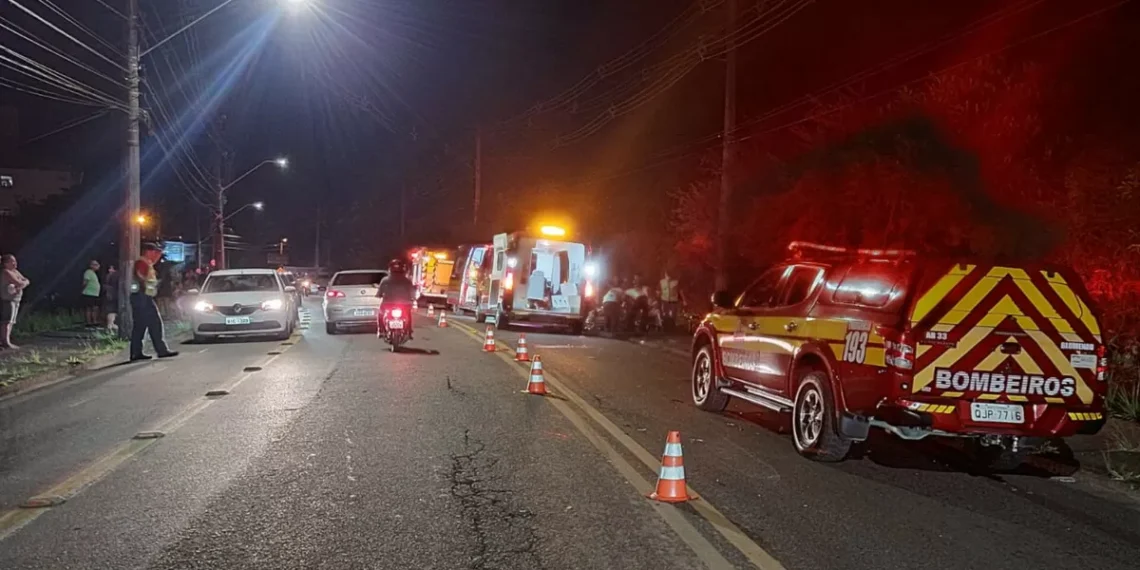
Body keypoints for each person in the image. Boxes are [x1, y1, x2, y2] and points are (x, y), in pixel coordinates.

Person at [129, 243, 178, 361]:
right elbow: (141, 277)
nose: (158, 256)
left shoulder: (147, 263)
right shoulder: (142, 262)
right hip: (142, 297)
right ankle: (160, 350)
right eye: (156, 253)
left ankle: (137, 352)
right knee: (153, 323)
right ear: (148, 252)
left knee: (142, 325)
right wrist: (148, 286)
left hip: (144, 297)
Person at [375, 258, 417, 338]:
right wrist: (413, 298)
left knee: (380, 314)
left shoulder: (385, 280)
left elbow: (379, 292)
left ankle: (381, 331)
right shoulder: (407, 281)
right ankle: (408, 331)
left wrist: (379, 295)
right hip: (405, 304)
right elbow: (412, 293)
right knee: (408, 314)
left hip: (388, 303)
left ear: (390, 269)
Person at [1, 253, 31, 349]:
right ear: (6, 263)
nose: (15, 263)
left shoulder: (15, 271)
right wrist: (21, 283)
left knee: (12, 321)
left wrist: (22, 284)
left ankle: (6, 340)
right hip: (7, 299)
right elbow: (18, 282)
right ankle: (5, 341)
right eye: (12, 261)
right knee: (7, 321)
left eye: (15, 261)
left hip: (16, 299)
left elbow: (26, 281)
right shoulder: (6, 272)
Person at [81, 260, 101, 327]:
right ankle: (88, 322)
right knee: (89, 308)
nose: (97, 266)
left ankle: (95, 321)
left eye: (97, 264)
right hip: (89, 293)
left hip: (95, 294)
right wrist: (83, 289)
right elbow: (85, 282)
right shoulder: (88, 272)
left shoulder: (94, 273)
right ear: (91, 265)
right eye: (95, 264)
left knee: (95, 308)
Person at [102, 264, 119, 334]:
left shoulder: (109, 276)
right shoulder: (113, 276)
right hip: (112, 295)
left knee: (112, 311)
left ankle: (110, 325)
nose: (110, 270)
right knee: (111, 311)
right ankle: (110, 325)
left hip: (110, 294)